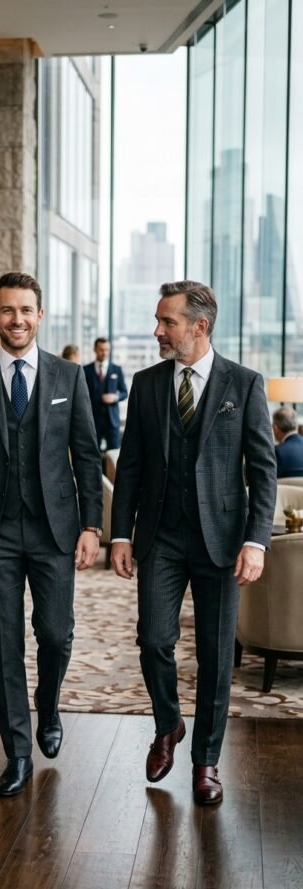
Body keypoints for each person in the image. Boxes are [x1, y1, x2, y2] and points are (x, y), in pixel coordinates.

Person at [111, 281, 276, 806]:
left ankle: (205, 762)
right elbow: (131, 464)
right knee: (154, 640)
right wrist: (121, 533)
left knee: (215, 656)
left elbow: (263, 471)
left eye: (167, 322)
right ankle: (168, 725)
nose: (157, 331)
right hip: (159, 536)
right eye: (159, 321)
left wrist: (256, 540)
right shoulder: (147, 383)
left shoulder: (245, 384)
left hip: (223, 543)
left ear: (199, 327)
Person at [0, 271, 103, 798]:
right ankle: (16, 752)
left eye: (26, 310)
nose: (17, 319)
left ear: (40, 314)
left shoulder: (69, 377)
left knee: (55, 633)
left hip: (55, 529)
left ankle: (49, 705)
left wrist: (91, 525)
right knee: (3, 642)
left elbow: (85, 455)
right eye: (7, 310)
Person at [83, 337, 127, 450]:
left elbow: (124, 392)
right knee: (92, 452)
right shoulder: (85, 370)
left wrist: (115, 397)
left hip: (112, 421)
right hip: (93, 420)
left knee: (113, 453)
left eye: (107, 350)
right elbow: (82, 395)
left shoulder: (117, 370)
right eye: (101, 349)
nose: (104, 353)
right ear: (95, 349)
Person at [272, 406, 303, 477]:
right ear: (296, 426)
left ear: (275, 428)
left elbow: (268, 479)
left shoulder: (277, 452)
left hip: (284, 487)